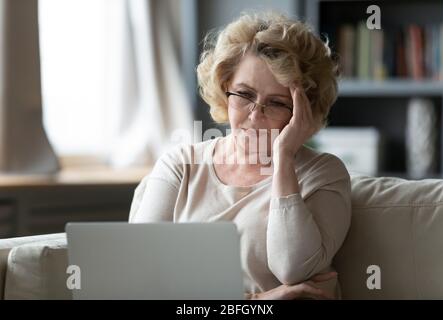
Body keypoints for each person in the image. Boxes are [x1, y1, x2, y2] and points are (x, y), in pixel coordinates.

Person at [129, 11, 351, 300]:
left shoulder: (324, 173)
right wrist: (256, 302)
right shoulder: (180, 166)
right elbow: (139, 276)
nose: (255, 115)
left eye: (276, 103)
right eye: (244, 95)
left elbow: (293, 269)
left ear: (302, 111)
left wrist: (283, 158)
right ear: (225, 90)